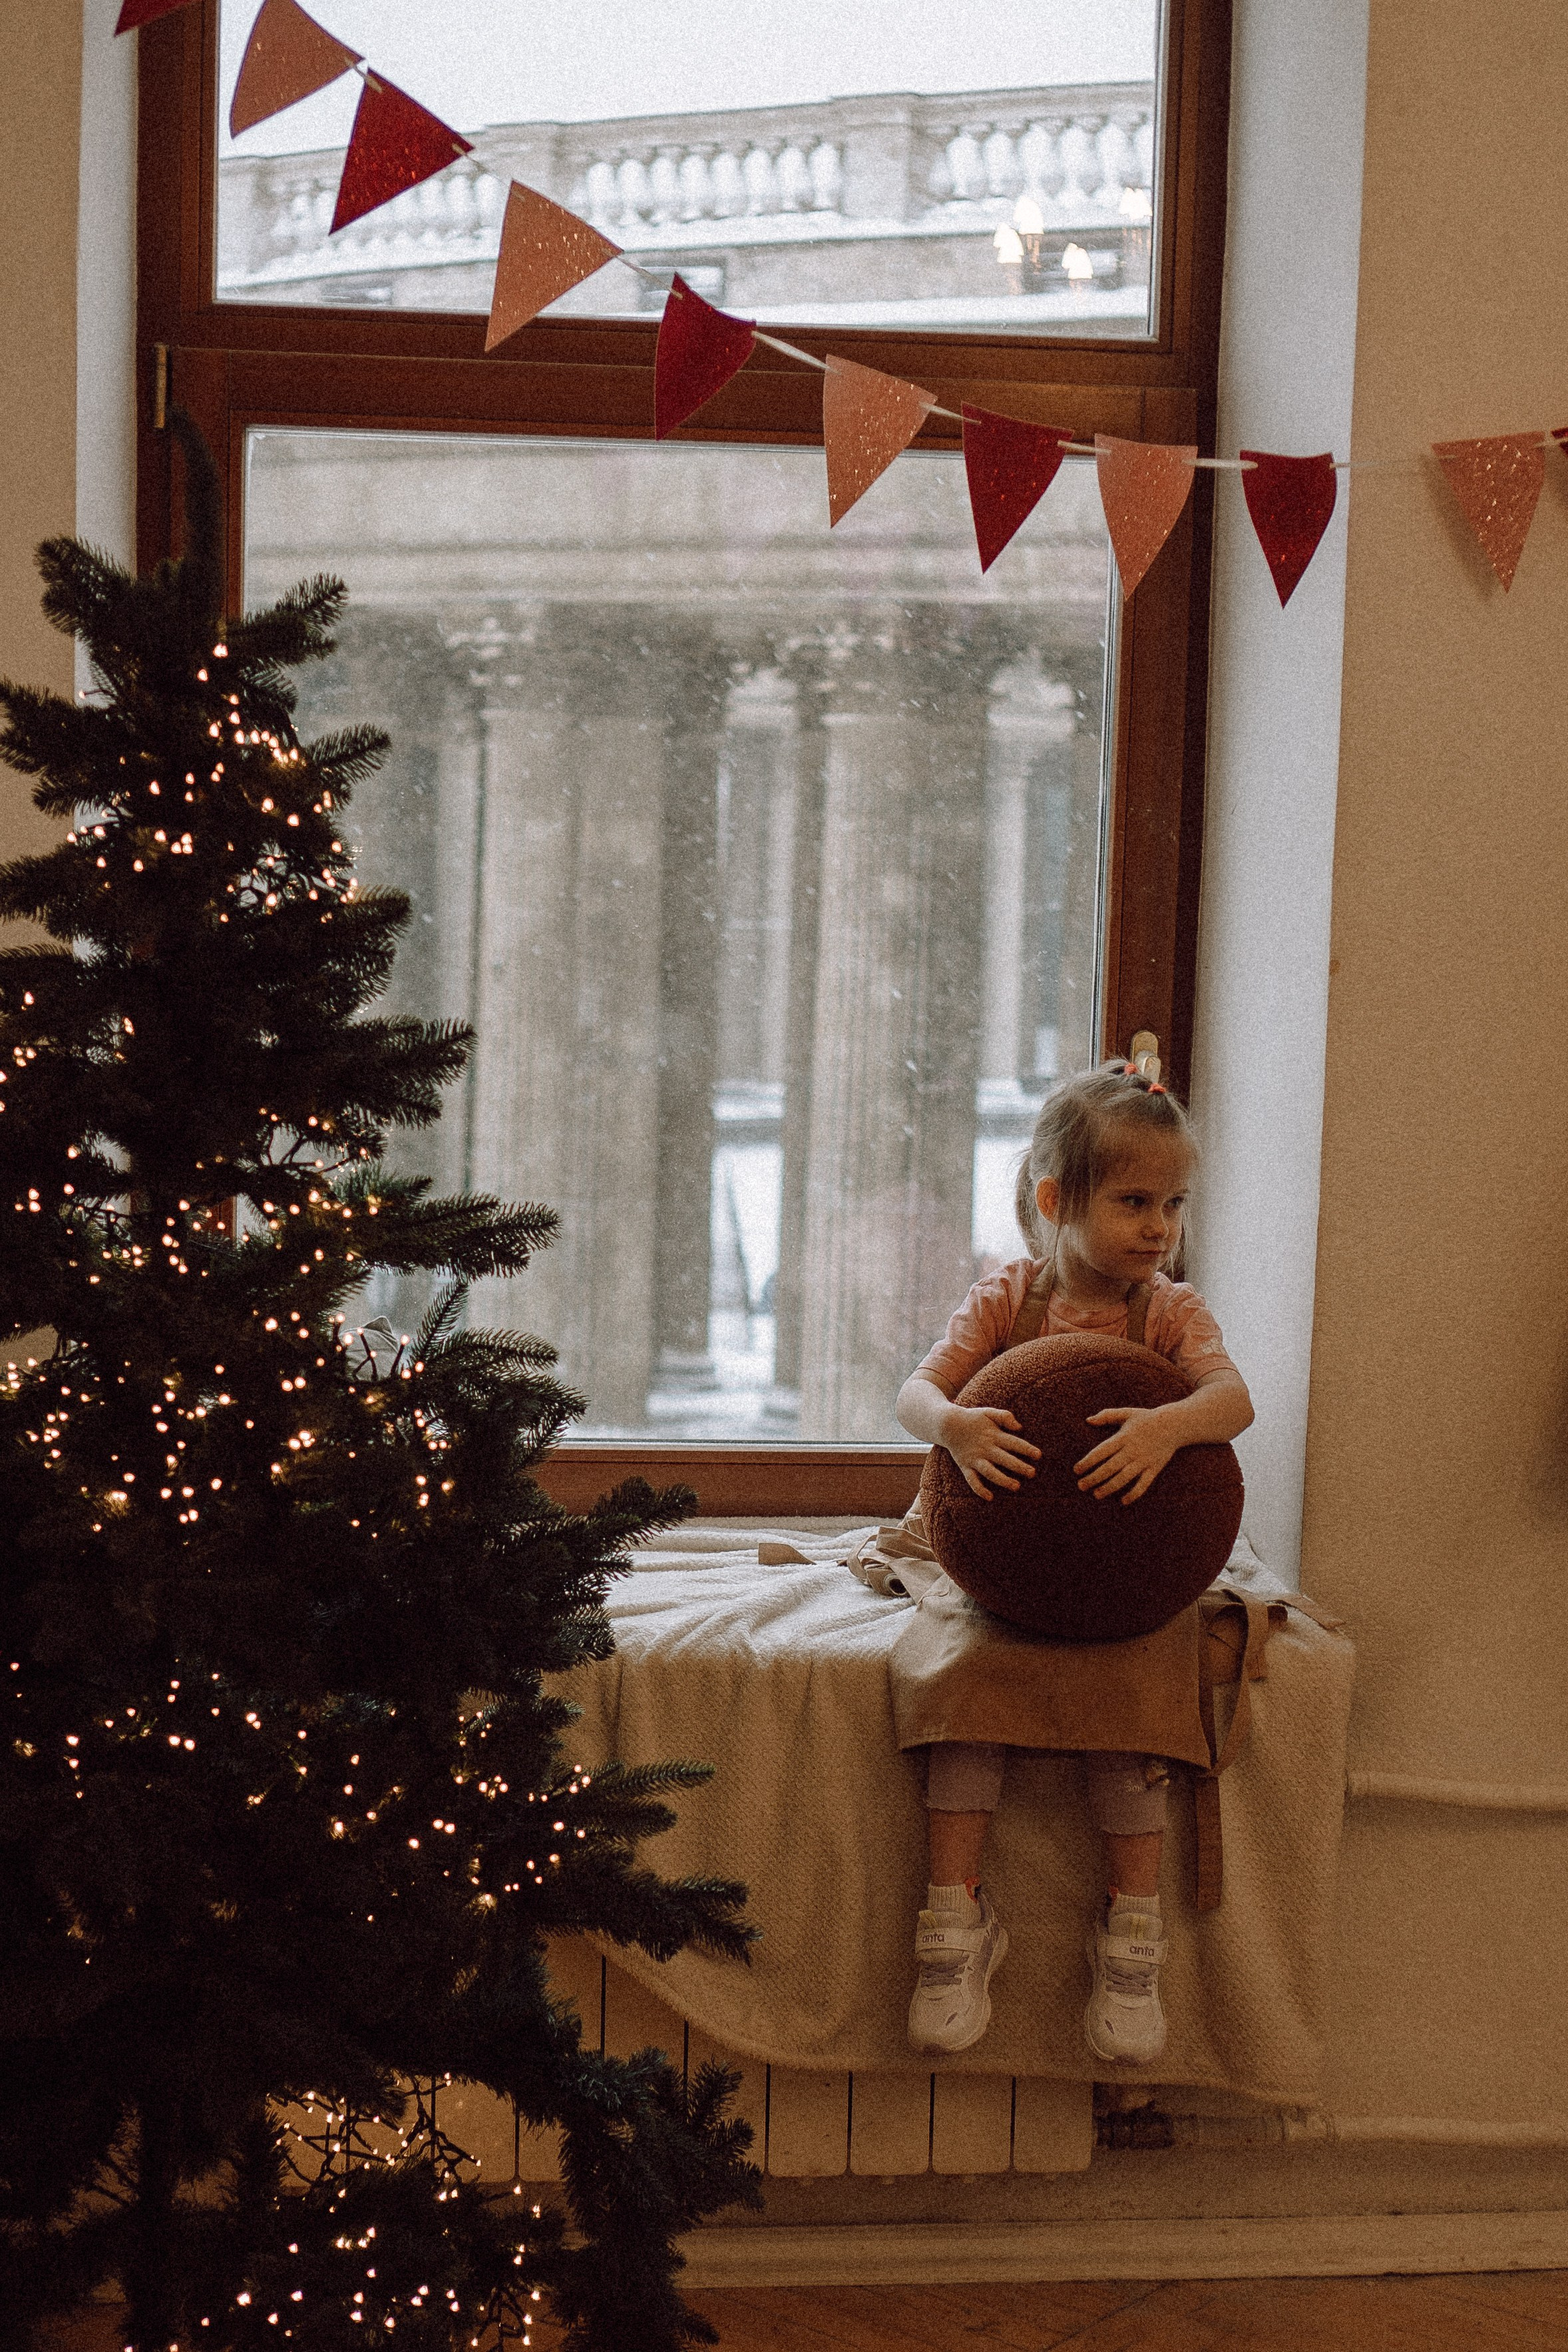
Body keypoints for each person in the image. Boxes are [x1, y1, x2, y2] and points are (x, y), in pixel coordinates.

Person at [892, 1059, 1253, 2064]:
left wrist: (1167, 1427)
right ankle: (952, 1919)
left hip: (1123, 1582)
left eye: (1173, 1204)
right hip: (998, 1569)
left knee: (1137, 1702)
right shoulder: (1007, 1298)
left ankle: (1132, 1933)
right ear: (1057, 1201)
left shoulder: (1169, 1313)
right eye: (1134, 1202)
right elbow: (915, 1395)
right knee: (963, 1692)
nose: (1160, 1227)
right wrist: (958, 1428)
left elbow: (1233, 1402)